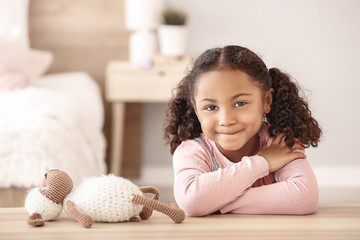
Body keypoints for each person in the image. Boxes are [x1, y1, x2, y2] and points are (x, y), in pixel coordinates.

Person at [164, 45, 322, 216]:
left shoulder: (279, 142)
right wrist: (263, 163)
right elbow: (192, 201)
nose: (226, 120)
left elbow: (305, 197)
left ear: (267, 101)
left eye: (240, 104)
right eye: (210, 107)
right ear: (196, 109)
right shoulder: (193, 150)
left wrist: (214, 203)